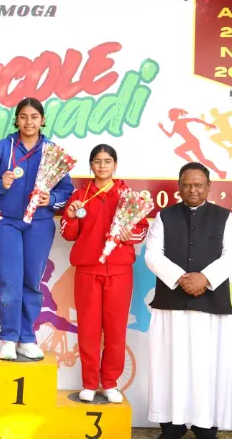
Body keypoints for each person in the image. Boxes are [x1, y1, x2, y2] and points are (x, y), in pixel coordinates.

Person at [144, 162, 232, 439]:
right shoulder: (164, 217)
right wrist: (181, 278)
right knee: (169, 364)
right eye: (187, 185)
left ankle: (205, 424)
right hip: (171, 301)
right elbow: (152, 254)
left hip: (212, 303)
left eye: (198, 185)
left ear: (208, 186)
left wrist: (205, 278)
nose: (193, 190)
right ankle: (171, 425)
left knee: (207, 365)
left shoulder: (224, 217)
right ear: (179, 187)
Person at [0, 97, 74, 361]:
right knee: (9, 281)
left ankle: (27, 338)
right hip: (5, 223)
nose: (29, 121)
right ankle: (9, 338)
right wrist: (1, 184)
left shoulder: (53, 152)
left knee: (32, 281)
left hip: (39, 224)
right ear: (17, 120)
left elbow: (67, 191)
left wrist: (51, 199)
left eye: (34, 117)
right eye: (23, 116)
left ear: (42, 120)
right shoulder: (2, 149)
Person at [60, 144, 149, 403]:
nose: (102, 166)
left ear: (115, 165)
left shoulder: (127, 196)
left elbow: (141, 231)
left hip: (119, 272)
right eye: (97, 161)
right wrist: (72, 216)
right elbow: (68, 234)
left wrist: (127, 235)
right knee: (88, 329)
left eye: (107, 161)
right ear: (91, 166)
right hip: (87, 271)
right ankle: (89, 383)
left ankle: (110, 383)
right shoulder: (80, 196)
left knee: (115, 330)